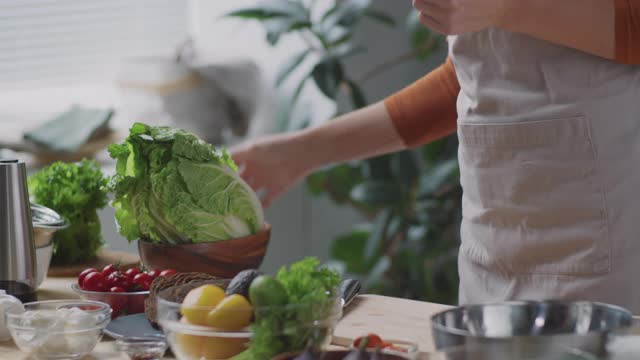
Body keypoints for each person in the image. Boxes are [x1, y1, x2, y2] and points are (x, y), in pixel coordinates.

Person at [232, 0, 640, 311]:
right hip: (493, 250)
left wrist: (507, 6)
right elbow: (471, 77)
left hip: (605, 247)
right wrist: (298, 152)